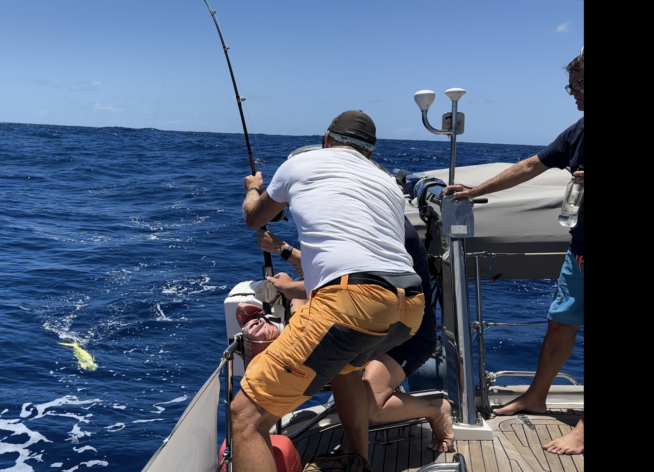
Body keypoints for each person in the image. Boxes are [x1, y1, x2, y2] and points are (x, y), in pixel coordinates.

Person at [235, 110, 426, 471]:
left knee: (245, 417)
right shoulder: (387, 182)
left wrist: (253, 188)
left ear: (326, 139)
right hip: (409, 305)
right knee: (345, 368)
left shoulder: (299, 164)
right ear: (369, 153)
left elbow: (254, 217)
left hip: (353, 303)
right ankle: (357, 462)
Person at [440, 48, 584, 455]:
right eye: (571, 86)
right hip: (579, 251)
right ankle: (535, 396)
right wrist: (475, 191)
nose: (573, 92)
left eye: (578, 84)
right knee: (560, 323)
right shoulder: (578, 131)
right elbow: (530, 166)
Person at [256, 216, 455, 452]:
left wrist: (289, 289)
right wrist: (284, 250)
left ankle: (435, 408)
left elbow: (347, 284)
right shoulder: (365, 218)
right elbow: (326, 270)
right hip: (374, 324)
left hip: (409, 334)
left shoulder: (386, 231)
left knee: (371, 406)